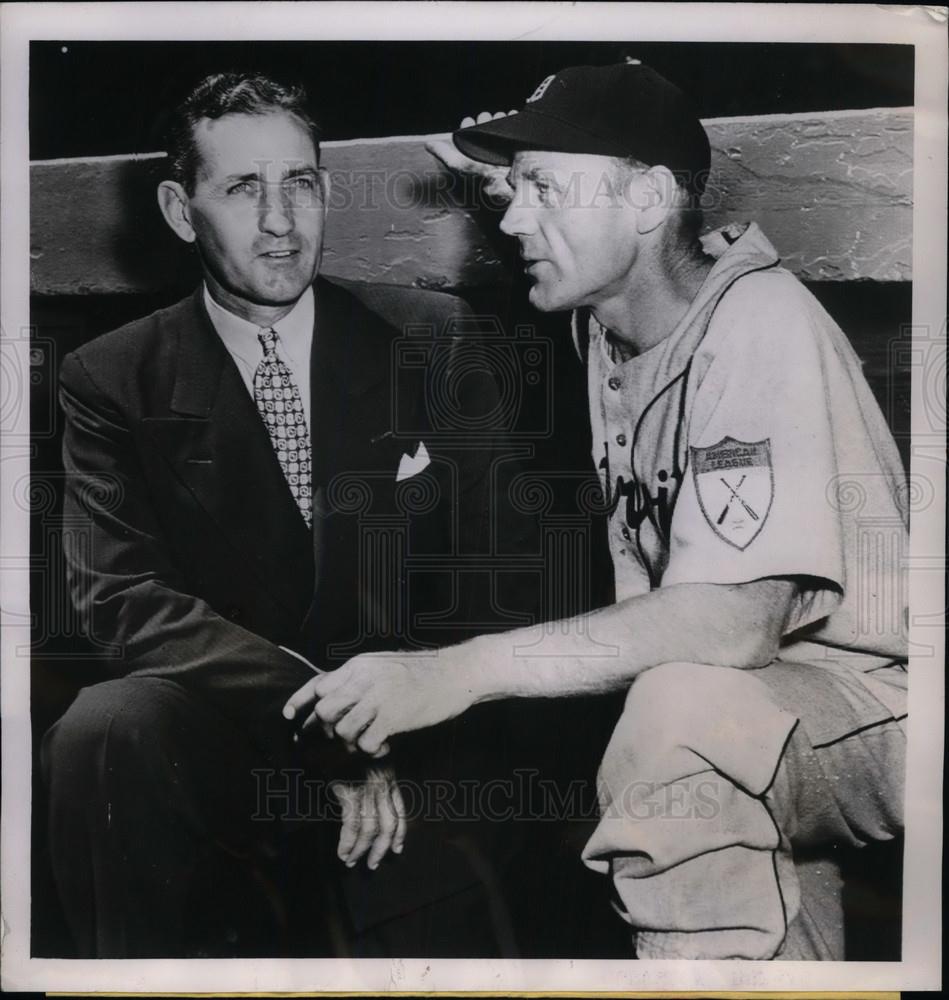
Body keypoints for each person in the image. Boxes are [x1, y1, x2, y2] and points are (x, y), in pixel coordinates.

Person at [286, 62, 909, 960]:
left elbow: (731, 623)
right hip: (772, 705)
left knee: (678, 724)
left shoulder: (758, 325)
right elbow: (598, 244)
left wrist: (452, 672)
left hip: (880, 702)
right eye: (513, 190)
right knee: (695, 771)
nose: (513, 217)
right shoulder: (612, 320)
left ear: (649, 199)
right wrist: (516, 184)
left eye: (543, 188)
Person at [42, 71, 535, 958]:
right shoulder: (111, 378)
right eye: (242, 188)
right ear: (180, 210)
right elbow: (121, 601)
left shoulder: (434, 338)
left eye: (299, 184)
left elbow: (505, 580)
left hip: (417, 737)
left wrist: (395, 717)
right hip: (243, 738)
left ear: (325, 191)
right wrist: (328, 737)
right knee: (104, 731)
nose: (280, 222)